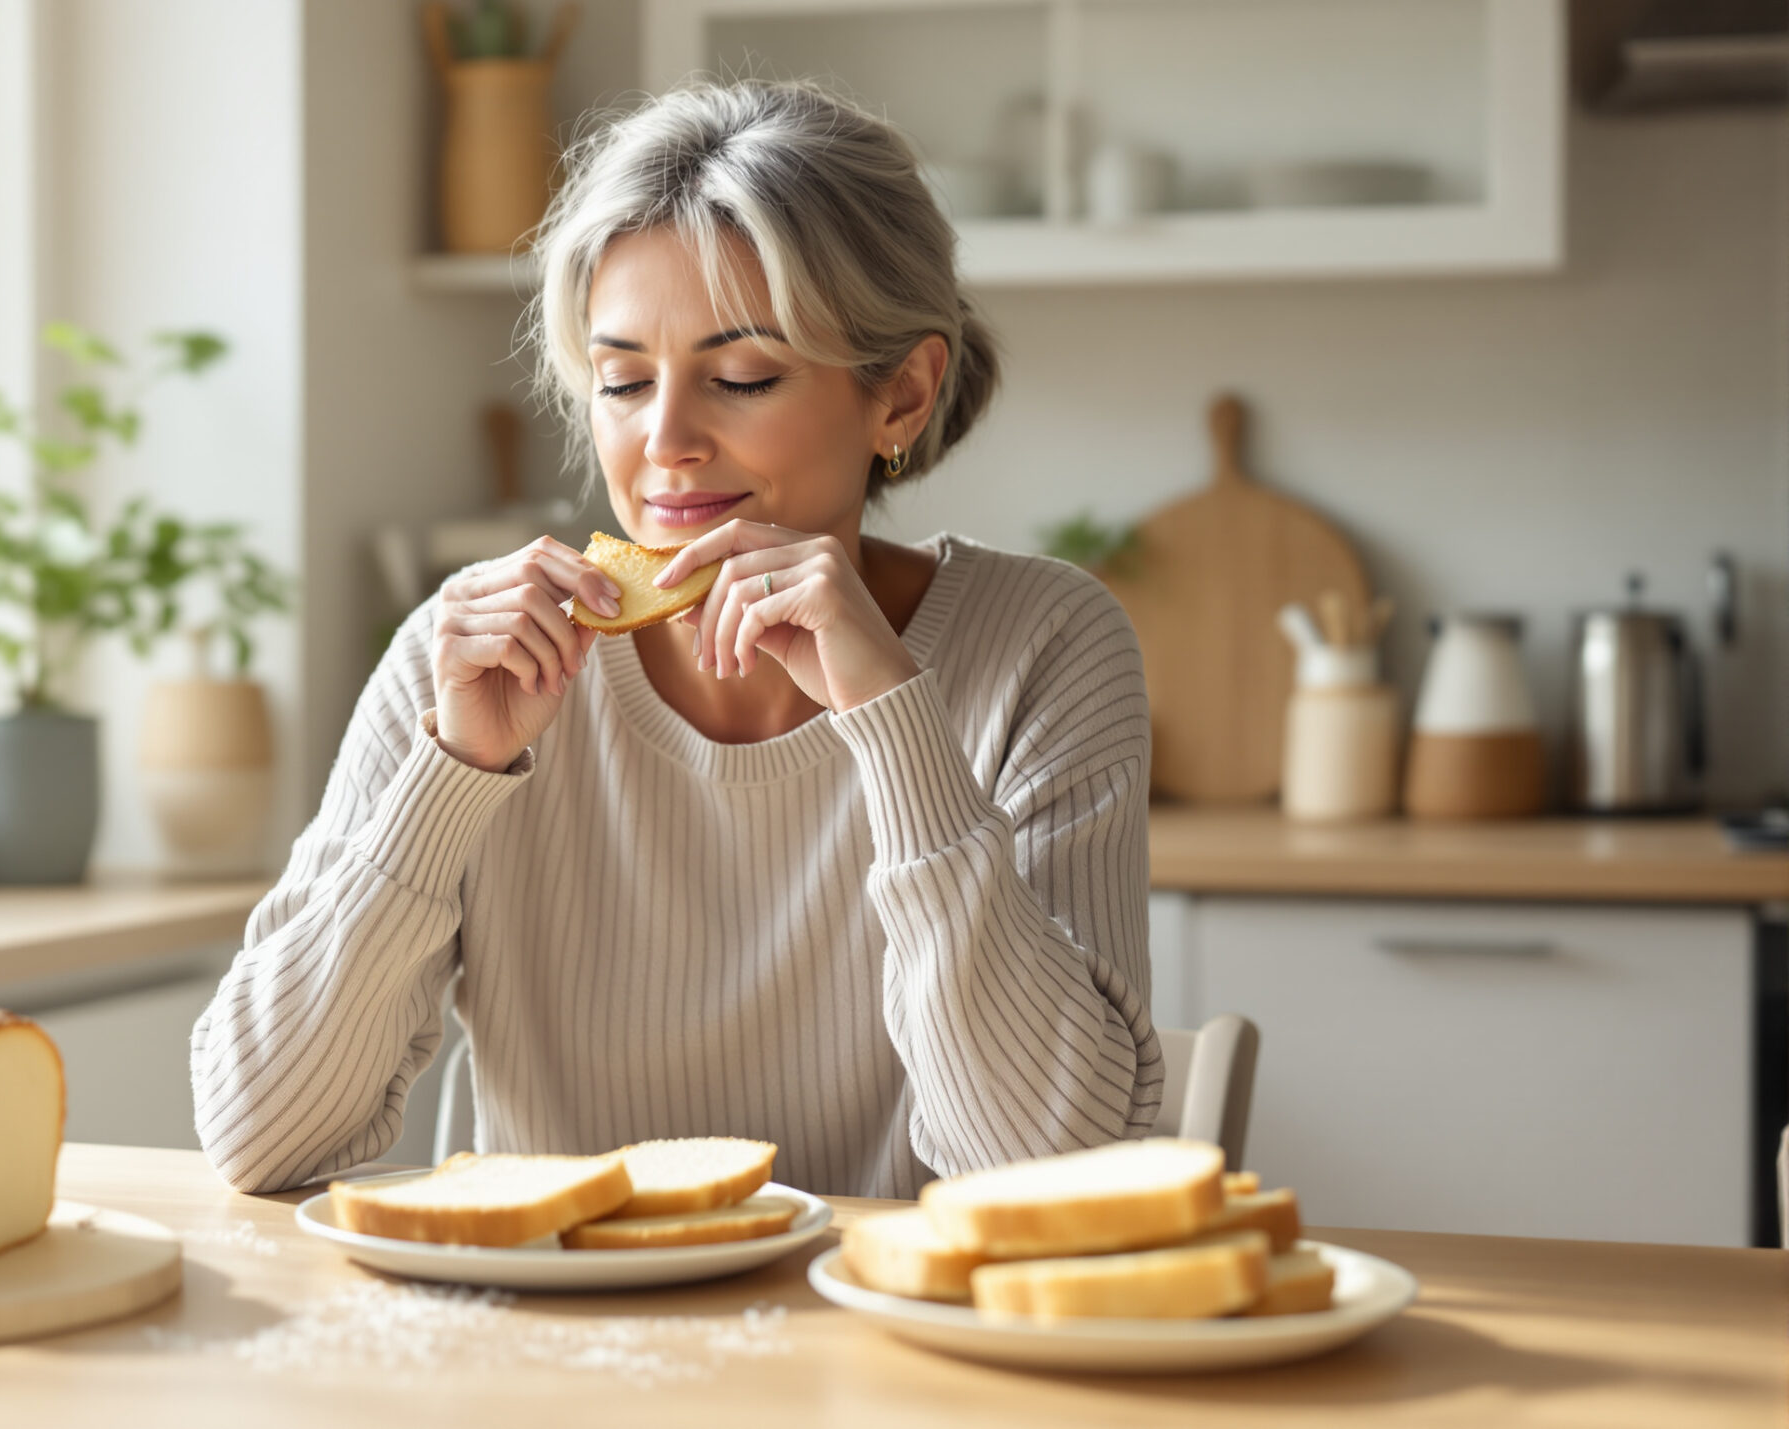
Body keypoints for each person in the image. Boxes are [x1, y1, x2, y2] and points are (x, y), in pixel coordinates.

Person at [192, 80, 1159, 1198]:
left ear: (901, 395)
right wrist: (453, 774)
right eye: (621, 382)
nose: (665, 444)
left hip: (896, 1353)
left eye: (741, 378)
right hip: (549, 1352)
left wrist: (897, 725)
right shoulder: (465, 656)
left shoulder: (1045, 645)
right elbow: (258, 1137)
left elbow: (1057, 1175)